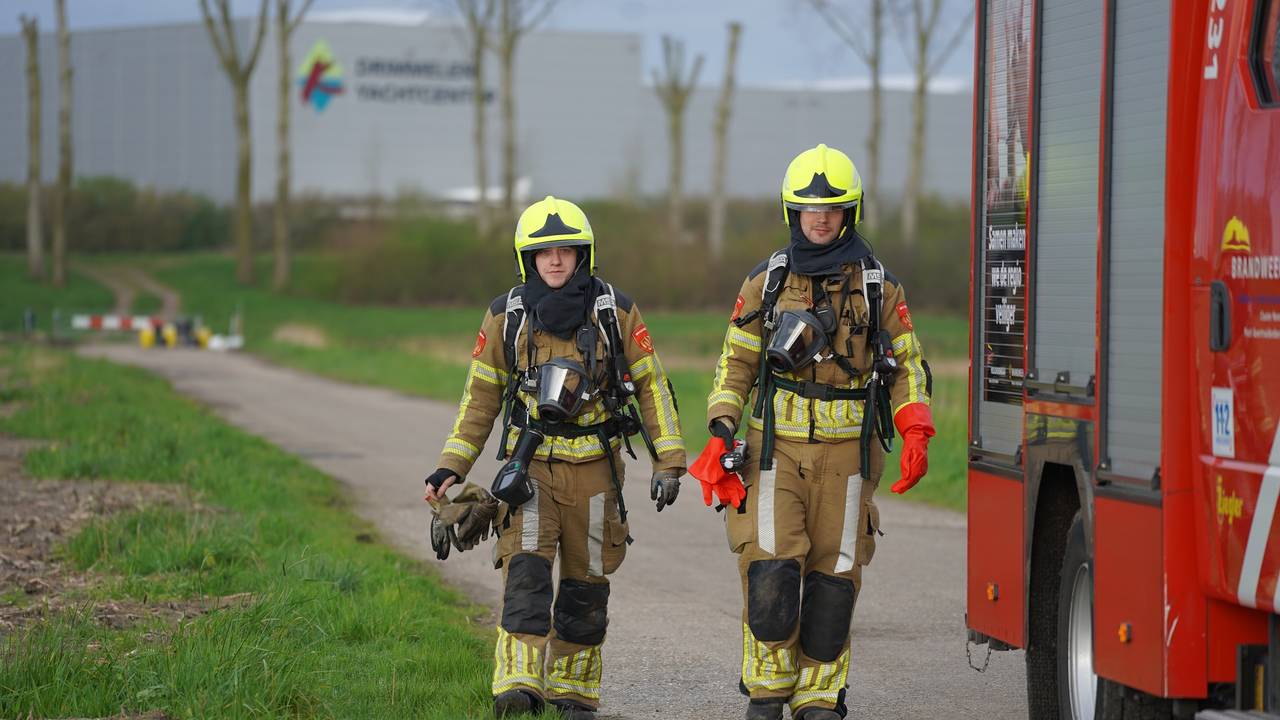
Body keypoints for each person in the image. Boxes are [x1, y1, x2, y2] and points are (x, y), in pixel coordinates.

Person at [692, 144, 935, 720]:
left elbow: (907, 365)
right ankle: (767, 692)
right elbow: (736, 362)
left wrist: (915, 426)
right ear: (792, 212)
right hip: (774, 452)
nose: (819, 218)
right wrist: (721, 427)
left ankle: (820, 696)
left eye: (831, 208)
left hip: (850, 459)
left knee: (834, 579)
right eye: (808, 209)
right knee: (771, 569)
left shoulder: (879, 287)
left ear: (849, 212)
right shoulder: (767, 281)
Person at [423, 196, 687, 720]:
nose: (556, 260)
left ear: (583, 254)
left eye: (566, 250)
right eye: (544, 252)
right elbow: (480, 398)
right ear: (528, 260)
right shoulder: (507, 317)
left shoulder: (615, 311)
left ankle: (574, 694)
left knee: (585, 594)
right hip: (530, 473)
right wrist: (452, 465)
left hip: (597, 475)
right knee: (526, 577)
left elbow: (652, 386)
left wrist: (670, 462)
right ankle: (518, 687)